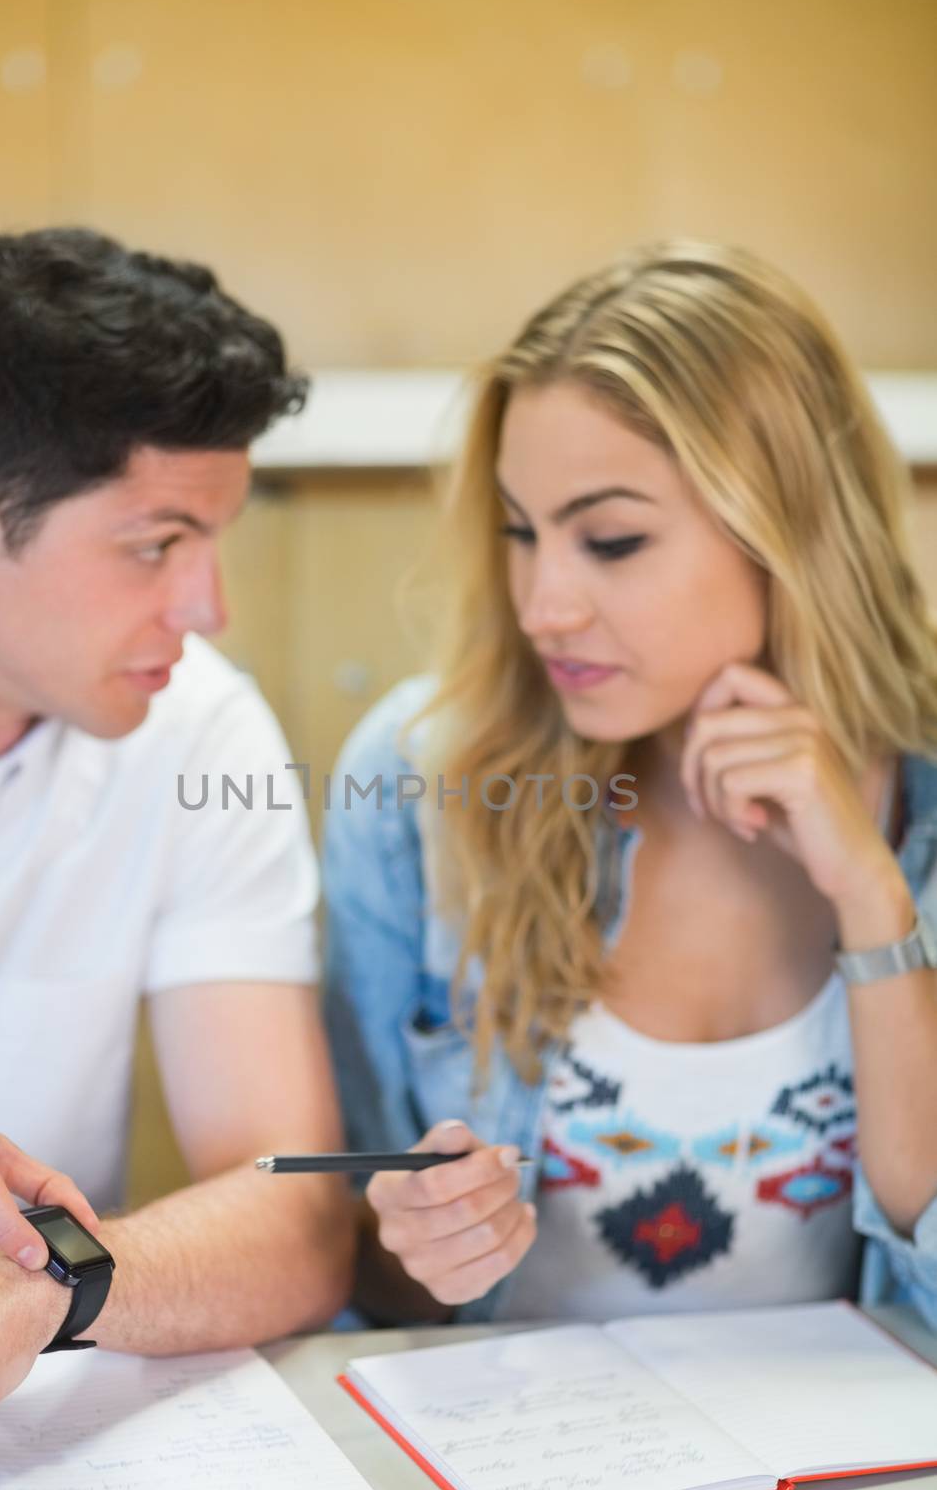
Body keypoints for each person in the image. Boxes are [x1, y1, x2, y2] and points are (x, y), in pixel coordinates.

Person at [323, 240, 937, 1332]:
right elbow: (354, 1275)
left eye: (609, 540)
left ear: (786, 528)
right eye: (521, 532)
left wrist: (873, 905)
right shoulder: (415, 786)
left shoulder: (919, 800)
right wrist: (414, 1242)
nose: (541, 604)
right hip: (510, 1477)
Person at [0, 228, 351, 1463]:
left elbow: (296, 1211)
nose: (206, 609)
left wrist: (43, 1277)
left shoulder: (198, 729)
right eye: (155, 545)